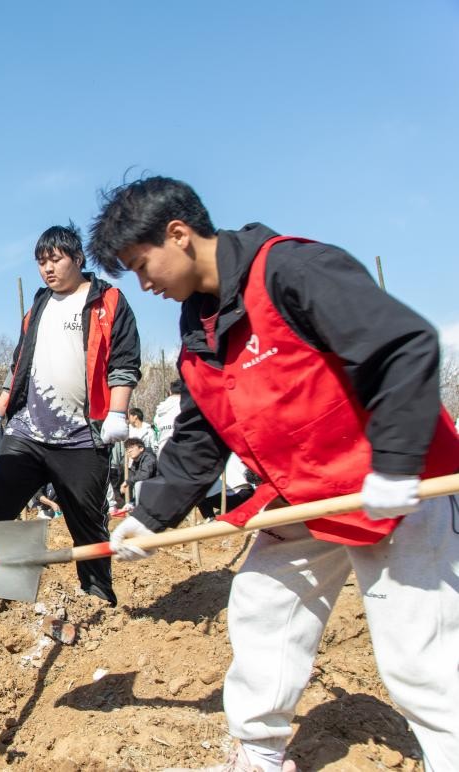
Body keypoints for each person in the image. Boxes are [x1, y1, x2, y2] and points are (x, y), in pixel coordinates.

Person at [92, 176, 459, 772]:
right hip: (306, 495)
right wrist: (147, 515)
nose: (144, 284)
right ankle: (261, 755)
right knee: (264, 608)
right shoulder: (197, 333)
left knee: (420, 656)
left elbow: (401, 346)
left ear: (178, 235)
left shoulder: (292, 271)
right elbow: (201, 434)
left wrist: (394, 464)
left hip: (398, 489)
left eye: (141, 264)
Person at [0, 223, 140, 607]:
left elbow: (124, 363)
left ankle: (97, 597)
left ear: (77, 258)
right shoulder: (39, 306)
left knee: (87, 522)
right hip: (28, 431)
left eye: (55, 259)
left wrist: (117, 412)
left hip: (81, 437)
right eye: (41, 262)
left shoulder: (107, 301)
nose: (47, 268)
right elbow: (19, 367)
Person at [119, 437, 156, 502]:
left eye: (132, 447)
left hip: (158, 491)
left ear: (141, 448)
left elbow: (144, 475)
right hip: (149, 493)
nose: (129, 451)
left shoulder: (148, 458)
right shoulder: (136, 462)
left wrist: (127, 482)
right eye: (127, 449)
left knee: (139, 484)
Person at [153, 380, 182, 458]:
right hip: (183, 455)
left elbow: (156, 434)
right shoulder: (186, 407)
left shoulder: (159, 411)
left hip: (163, 455)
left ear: (170, 392)